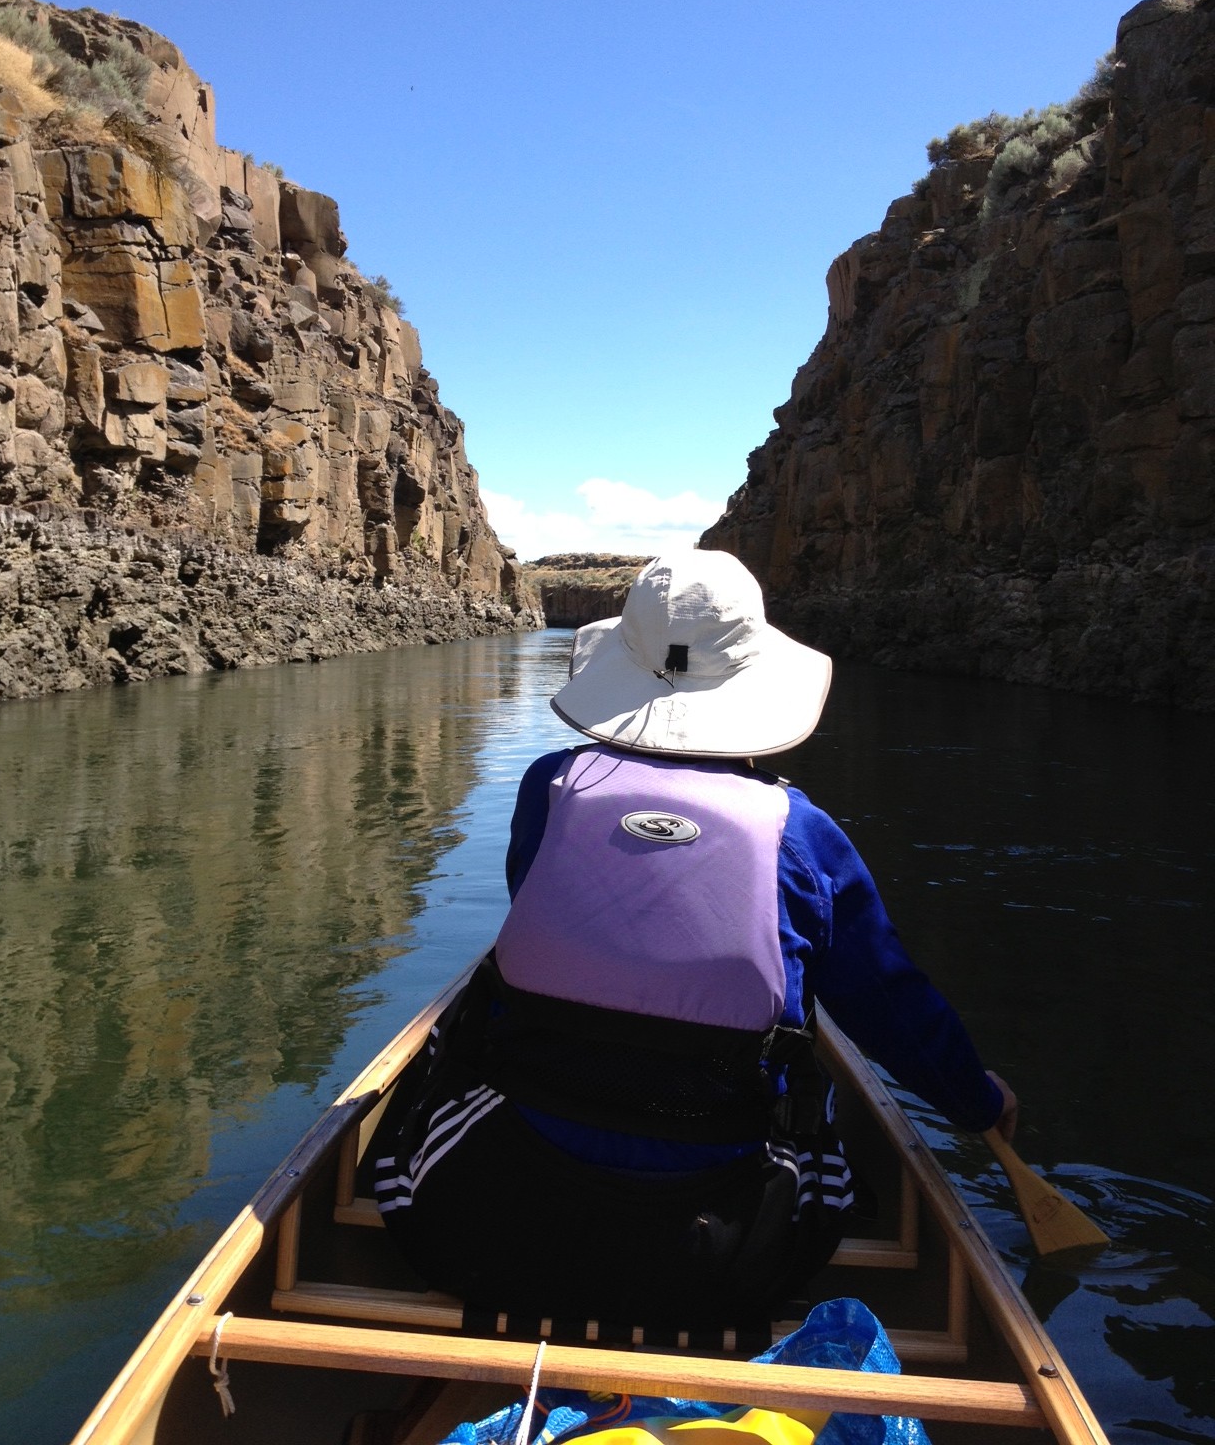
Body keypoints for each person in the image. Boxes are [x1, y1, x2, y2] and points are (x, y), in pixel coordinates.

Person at [371, 550, 1017, 1327]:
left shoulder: (548, 788)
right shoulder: (802, 834)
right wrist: (978, 1102)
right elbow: (889, 1002)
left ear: (624, 665)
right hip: (723, 1256)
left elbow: (552, 917)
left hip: (496, 1232)